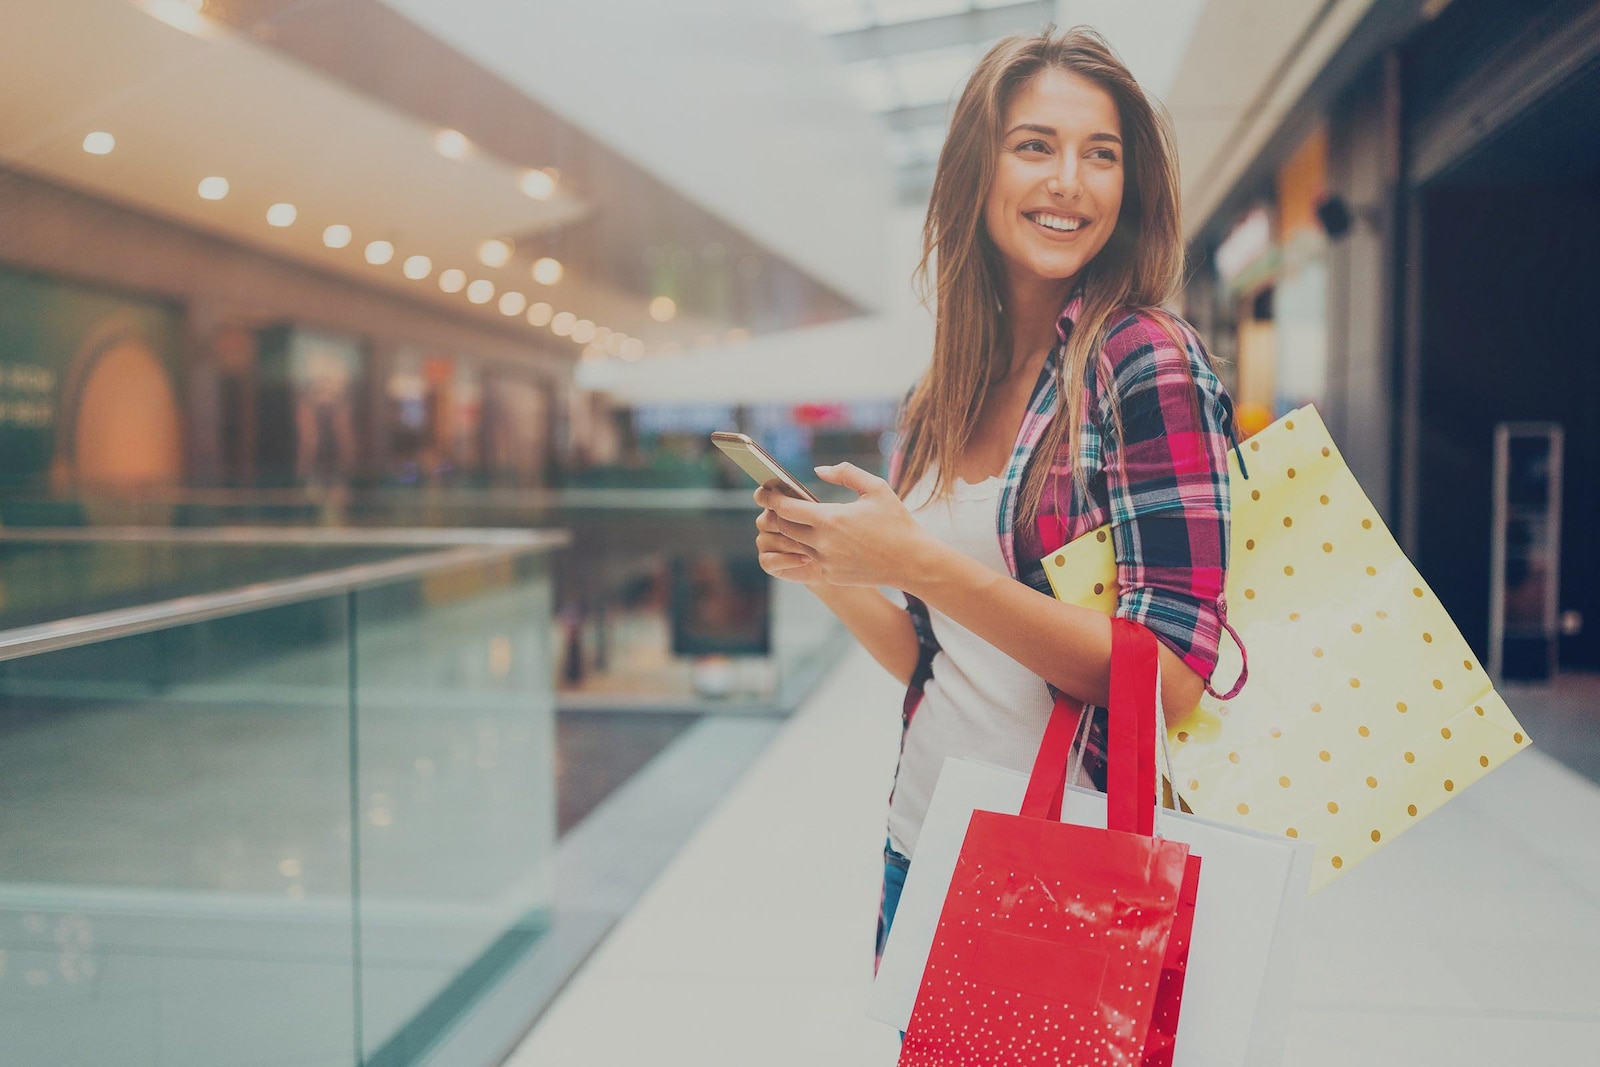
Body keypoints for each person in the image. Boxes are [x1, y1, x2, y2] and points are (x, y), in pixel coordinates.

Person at [751, 27, 1240, 974]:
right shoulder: (942, 393)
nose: (1070, 180)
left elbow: (1170, 676)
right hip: (920, 840)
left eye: (1101, 154)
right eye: (1035, 146)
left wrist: (918, 561)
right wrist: (832, 571)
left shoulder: (1143, 360)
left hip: (1064, 868)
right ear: (976, 174)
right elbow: (945, 664)